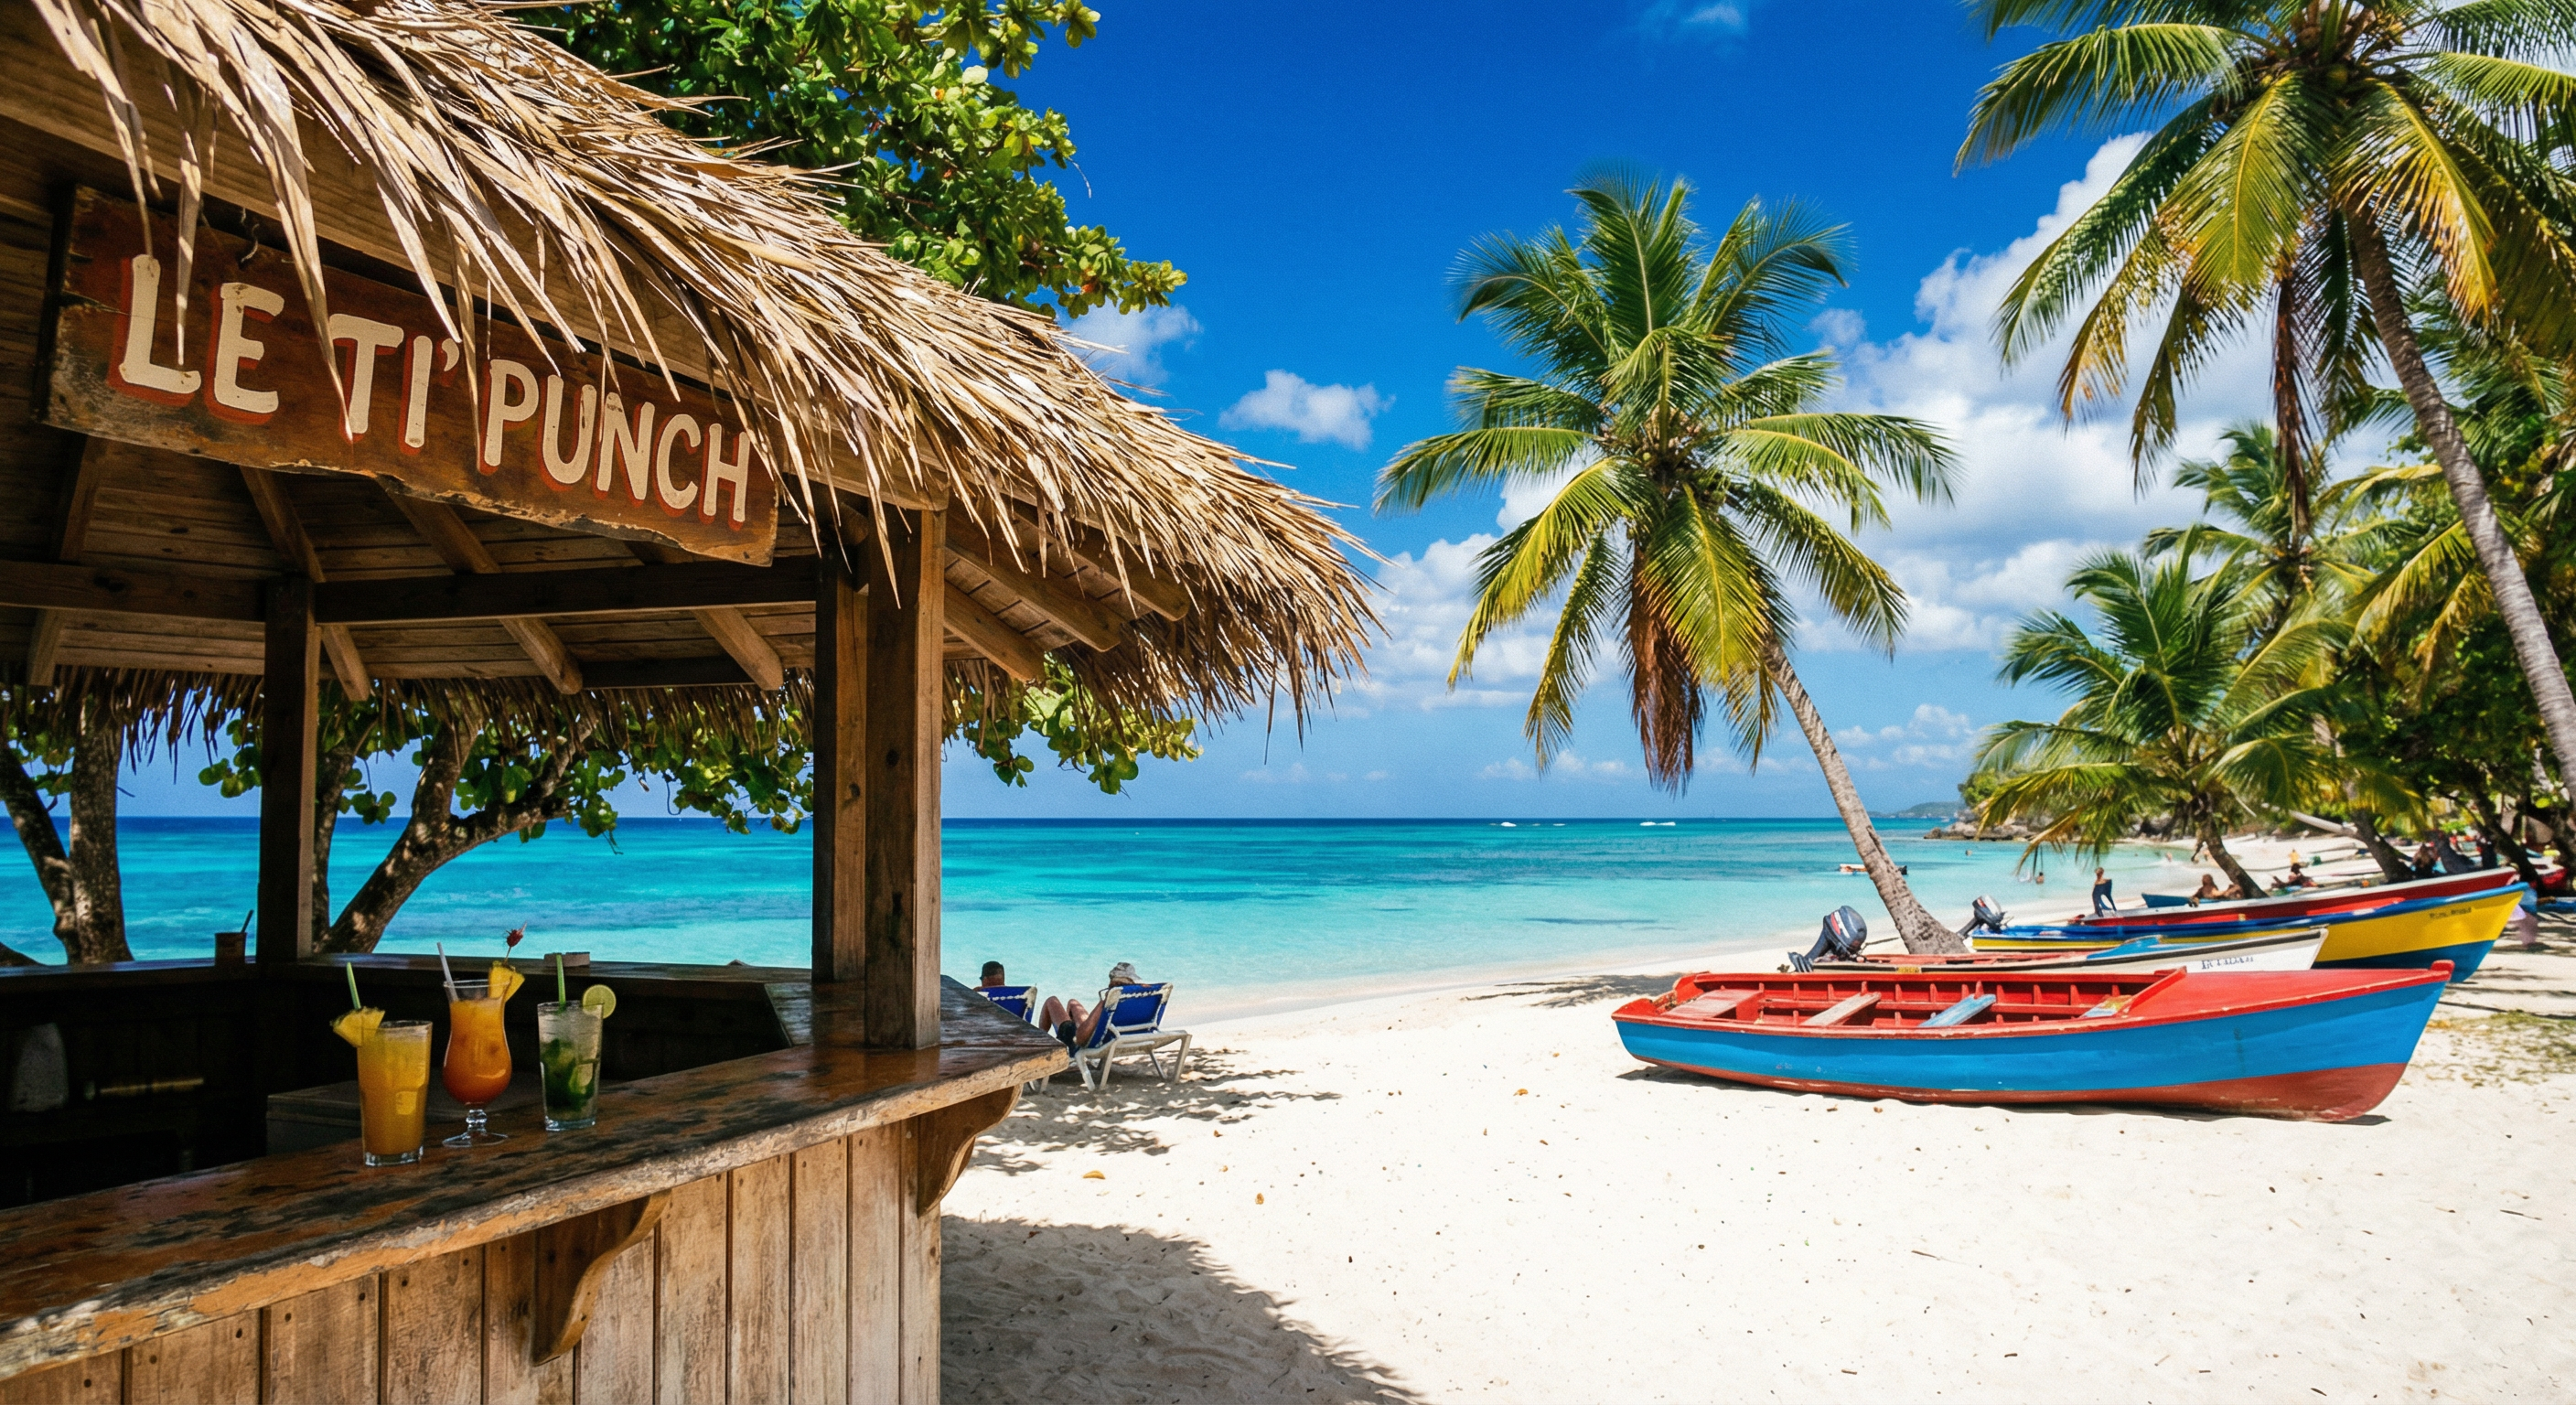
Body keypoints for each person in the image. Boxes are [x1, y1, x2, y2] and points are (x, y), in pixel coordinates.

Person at [1042, 962, 1141, 1050]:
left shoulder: (1106, 1004)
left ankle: (1042, 1043)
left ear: (1113, 984)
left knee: (1051, 1001)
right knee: (1072, 1002)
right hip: (1116, 1037)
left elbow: (1080, 1039)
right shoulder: (1138, 1002)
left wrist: (1103, 1001)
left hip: (1086, 1042)